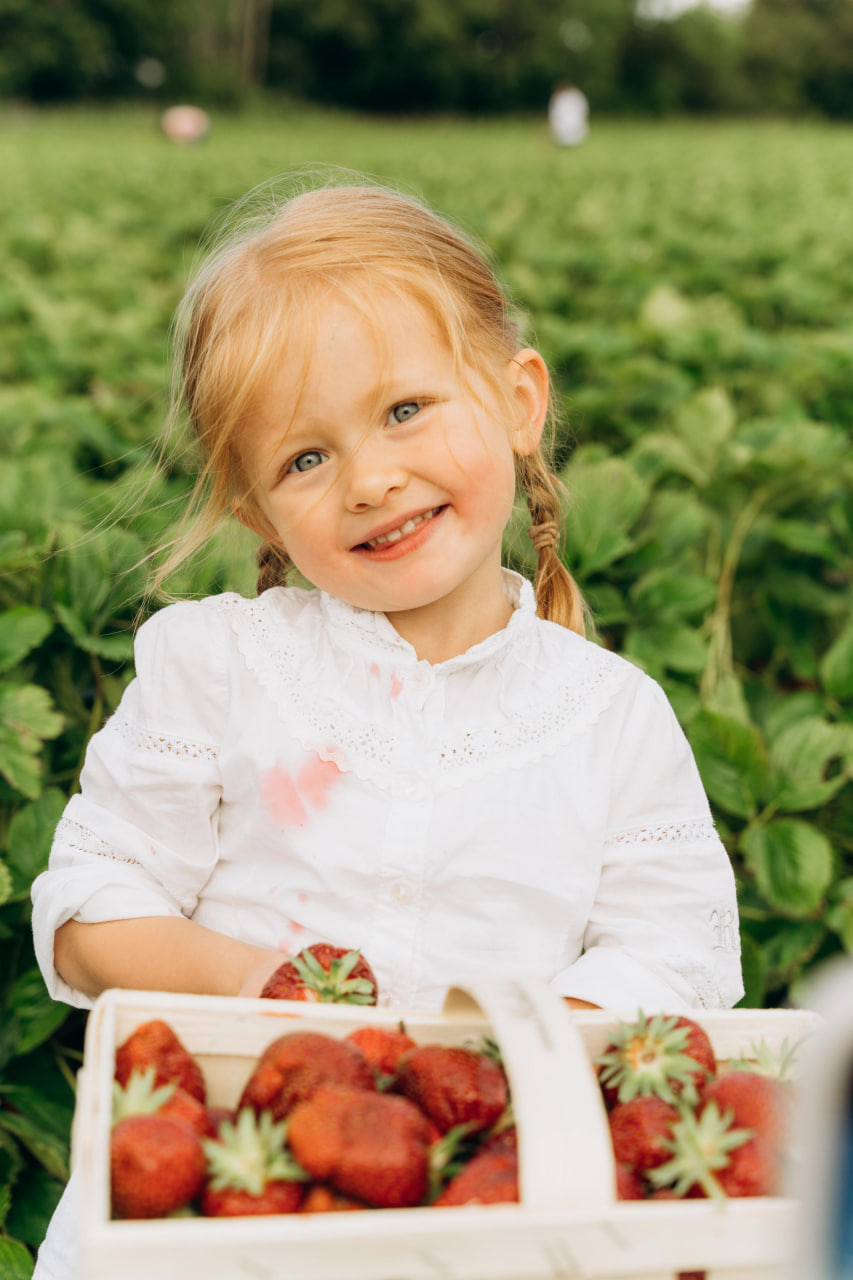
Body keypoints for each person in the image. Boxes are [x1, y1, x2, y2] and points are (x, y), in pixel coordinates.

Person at [30, 179, 742, 1277]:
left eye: (405, 410)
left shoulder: (611, 717)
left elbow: (677, 958)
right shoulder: (216, 668)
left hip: (492, 1208)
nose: (370, 478)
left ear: (517, 399)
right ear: (259, 512)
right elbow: (89, 912)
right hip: (228, 1194)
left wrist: (504, 1058)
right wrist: (257, 984)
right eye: (305, 459)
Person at [548, 82, 589, 146]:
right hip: (578, 132)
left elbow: (554, 116)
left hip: (565, 133)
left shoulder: (559, 98)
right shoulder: (578, 96)